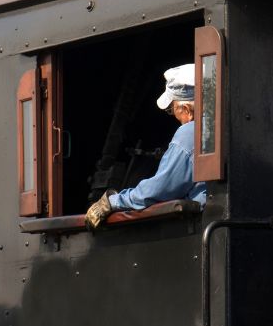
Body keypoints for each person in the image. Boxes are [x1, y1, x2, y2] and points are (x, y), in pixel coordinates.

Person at [85, 63, 207, 230]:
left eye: (172, 110)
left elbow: (160, 189)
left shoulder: (190, 133)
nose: (173, 116)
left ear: (187, 109)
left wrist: (113, 202)